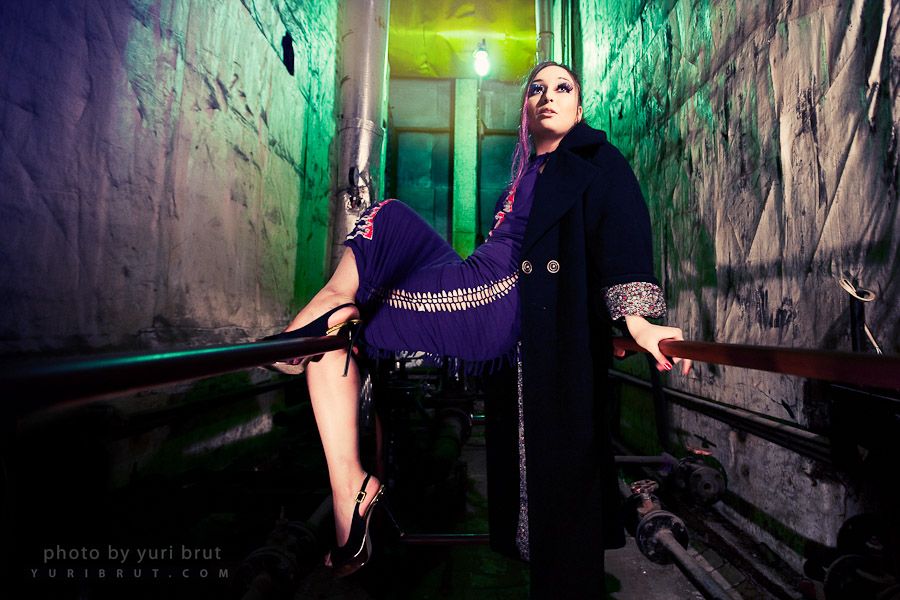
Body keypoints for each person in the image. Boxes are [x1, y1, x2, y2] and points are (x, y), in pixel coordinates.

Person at [266, 62, 692, 593]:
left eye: (562, 88)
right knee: (347, 321)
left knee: (379, 238)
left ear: (580, 109)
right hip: (478, 282)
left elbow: (619, 232)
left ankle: (323, 315)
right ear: (525, 113)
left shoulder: (593, 160)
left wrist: (639, 322)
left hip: (496, 298)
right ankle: (349, 486)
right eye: (536, 89)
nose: (548, 96)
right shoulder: (524, 177)